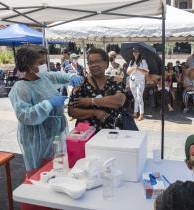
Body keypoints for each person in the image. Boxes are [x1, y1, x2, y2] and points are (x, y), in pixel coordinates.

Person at [9, 46, 83, 176]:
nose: (44, 66)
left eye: (45, 62)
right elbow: (24, 115)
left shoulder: (43, 77)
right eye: (40, 63)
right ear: (28, 65)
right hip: (36, 136)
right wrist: (48, 103)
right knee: (39, 172)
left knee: (55, 166)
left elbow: (60, 76)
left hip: (53, 131)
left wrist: (71, 77)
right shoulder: (20, 87)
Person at [68, 48, 126, 131]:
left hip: (111, 133)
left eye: (97, 61)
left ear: (106, 64)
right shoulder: (81, 84)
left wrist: (91, 101)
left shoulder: (115, 81)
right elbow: (71, 111)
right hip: (86, 135)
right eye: (91, 63)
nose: (94, 65)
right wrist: (94, 112)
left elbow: (119, 101)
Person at [127, 47, 149, 121]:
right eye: (134, 52)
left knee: (139, 97)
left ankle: (141, 114)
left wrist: (138, 68)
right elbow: (128, 72)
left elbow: (146, 72)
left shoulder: (143, 61)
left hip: (140, 82)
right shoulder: (131, 61)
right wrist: (133, 68)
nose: (135, 53)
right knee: (135, 98)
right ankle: (135, 113)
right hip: (132, 81)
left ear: (139, 52)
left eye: (136, 51)